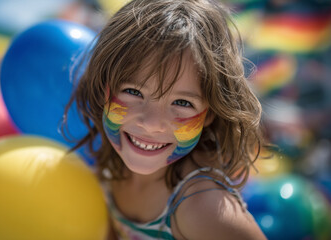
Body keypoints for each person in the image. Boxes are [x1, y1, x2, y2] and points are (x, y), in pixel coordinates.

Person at [64, 0, 268, 239]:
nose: (151, 123)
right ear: (103, 88)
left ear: (210, 113)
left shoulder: (204, 208)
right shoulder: (105, 168)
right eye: (133, 91)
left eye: (182, 103)